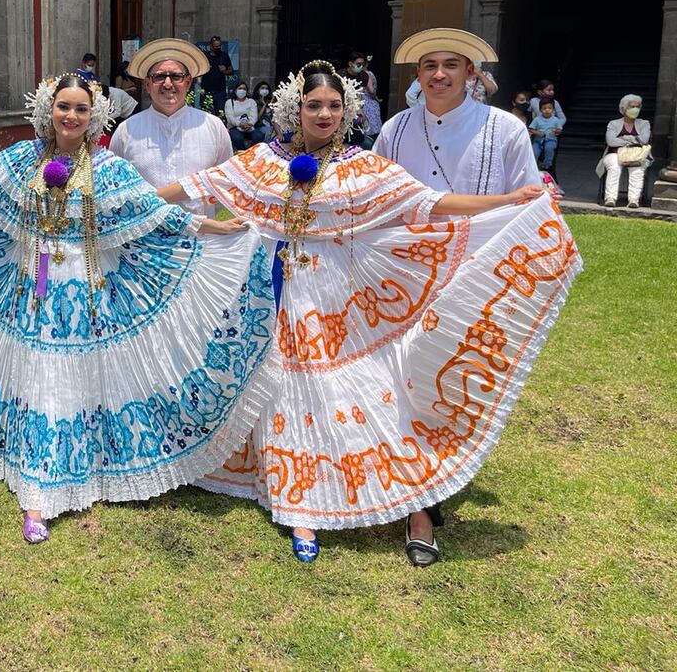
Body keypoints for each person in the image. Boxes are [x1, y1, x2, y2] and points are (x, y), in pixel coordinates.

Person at [159, 62, 581, 564]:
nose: (324, 114)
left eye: (334, 106)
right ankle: (283, 490)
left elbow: (431, 203)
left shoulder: (362, 166)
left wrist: (510, 199)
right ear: (296, 108)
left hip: (334, 296)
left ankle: (308, 505)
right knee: (270, 382)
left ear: (347, 111)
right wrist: (129, 200)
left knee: (320, 386)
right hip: (265, 291)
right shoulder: (262, 162)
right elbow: (197, 187)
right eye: (314, 105)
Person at [0, 74, 277, 544]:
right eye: (64, 107)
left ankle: (80, 463)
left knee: (77, 377)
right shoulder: (23, 160)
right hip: (32, 286)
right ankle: (37, 490)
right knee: (40, 377)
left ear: (93, 116)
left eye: (81, 109)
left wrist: (213, 228)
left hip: (88, 292)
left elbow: (154, 214)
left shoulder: (110, 168)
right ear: (48, 110)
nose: (71, 116)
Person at [373, 27, 543, 564]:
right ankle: (419, 508)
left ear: (472, 72)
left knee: (451, 382)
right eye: (429, 66)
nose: (439, 75)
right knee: (401, 382)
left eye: (451, 64)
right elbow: (376, 201)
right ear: (417, 75)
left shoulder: (506, 129)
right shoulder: (395, 130)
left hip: (472, 278)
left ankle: (434, 479)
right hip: (402, 278)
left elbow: (528, 205)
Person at [109, 38, 232, 212]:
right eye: (159, 77)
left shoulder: (212, 126)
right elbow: (115, 188)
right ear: (148, 84)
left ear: (188, 83)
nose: (168, 84)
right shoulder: (127, 131)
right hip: (144, 237)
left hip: (201, 236)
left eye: (176, 76)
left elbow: (225, 182)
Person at [598, 93, 652, 208]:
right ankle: (610, 198)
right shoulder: (613, 124)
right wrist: (633, 140)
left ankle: (634, 199)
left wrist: (623, 139)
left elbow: (644, 140)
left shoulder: (644, 123)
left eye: (638, 106)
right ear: (623, 108)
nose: (635, 109)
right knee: (614, 166)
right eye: (632, 107)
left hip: (637, 154)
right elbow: (611, 141)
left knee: (637, 168)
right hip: (615, 153)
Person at [405, 61, 497, 108]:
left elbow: (492, 90)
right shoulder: (458, 75)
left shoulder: (485, 75)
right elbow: (410, 94)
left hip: (479, 110)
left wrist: (480, 74)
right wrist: (419, 108)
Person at [345, 52, 382, 146]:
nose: (361, 66)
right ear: (350, 64)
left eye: (362, 64)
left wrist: (359, 109)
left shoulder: (364, 76)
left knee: (359, 133)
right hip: (344, 107)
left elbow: (360, 94)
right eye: (358, 64)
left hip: (357, 107)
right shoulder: (341, 75)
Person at [225, 81, 265, 151]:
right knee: (237, 137)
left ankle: (251, 151)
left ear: (246, 91)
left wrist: (250, 124)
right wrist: (240, 124)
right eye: (240, 88)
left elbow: (254, 116)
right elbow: (230, 117)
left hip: (249, 127)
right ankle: (243, 152)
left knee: (259, 136)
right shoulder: (229, 102)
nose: (242, 90)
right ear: (235, 90)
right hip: (235, 127)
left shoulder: (251, 102)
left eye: (244, 89)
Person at [529, 99, 563, 171]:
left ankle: (546, 165)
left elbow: (560, 130)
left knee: (549, 149)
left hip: (551, 139)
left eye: (549, 108)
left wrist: (556, 130)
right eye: (544, 108)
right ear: (540, 110)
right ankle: (533, 167)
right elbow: (531, 129)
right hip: (538, 140)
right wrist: (538, 133)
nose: (547, 110)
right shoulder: (537, 119)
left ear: (553, 109)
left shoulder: (556, 120)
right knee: (534, 152)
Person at [202, 35, 233, 113]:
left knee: (220, 112)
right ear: (211, 46)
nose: (218, 48)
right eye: (216, 46)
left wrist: (224, 70)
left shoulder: (224, 56)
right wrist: (206, 68)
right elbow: (198, 71)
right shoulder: (205, 56)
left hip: (220, 90)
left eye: (219, 46)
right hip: (207, 90)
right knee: (206, 111)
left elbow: (231, 71)